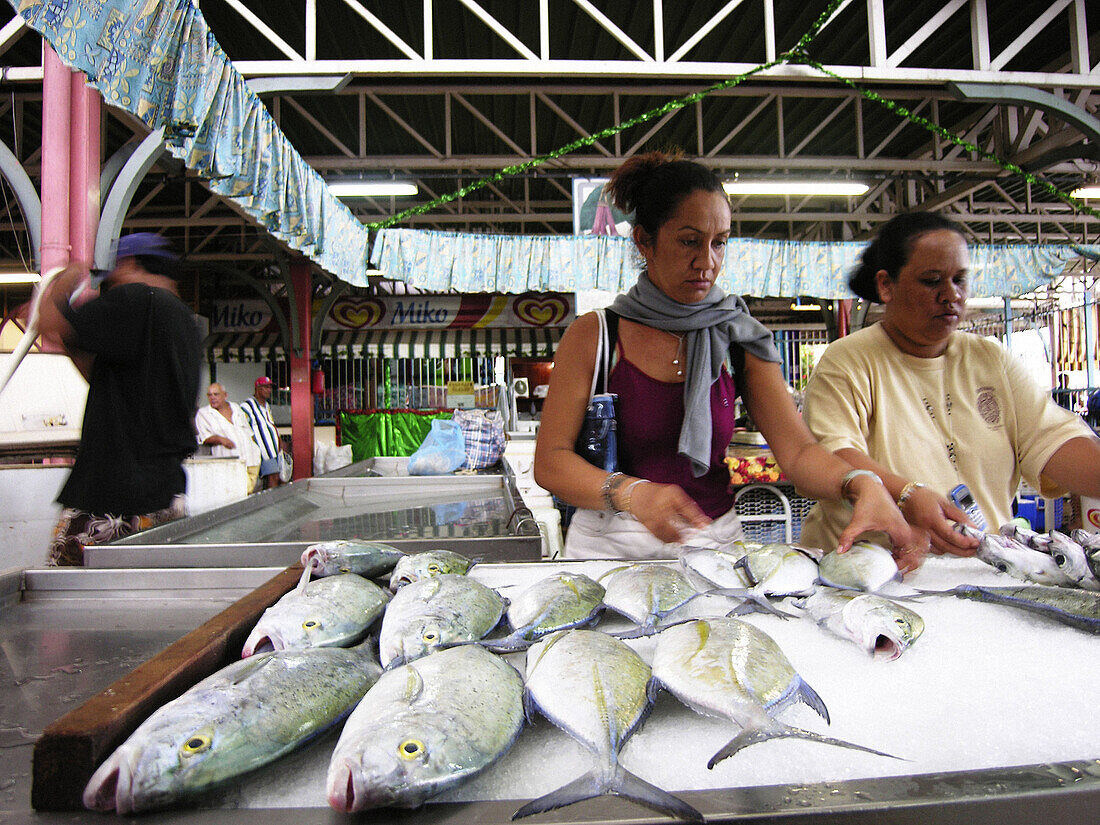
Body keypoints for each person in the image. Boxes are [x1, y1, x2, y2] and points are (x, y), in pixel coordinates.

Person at [533, 150, 917, 560]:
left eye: (720, 243)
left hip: (713, 542)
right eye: (689, 241)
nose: (707, 262)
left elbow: (800, 452)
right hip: (610, 546)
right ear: (644, 240)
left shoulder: (737, 335)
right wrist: (633, 493)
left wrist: (860, 481)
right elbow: (551, 462)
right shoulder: (596, 336)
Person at [801, 211, 1100, 571]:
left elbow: (1051, 440)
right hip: (875, 576)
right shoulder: (848, 361)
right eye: (931, 281)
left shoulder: (990, 359)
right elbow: (834, 455)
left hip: (988, 568)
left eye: (960, 279)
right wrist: (907, 494)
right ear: (886, 285)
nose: (951, 295)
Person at [36, 233, 202, 566]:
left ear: (128, 265)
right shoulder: (187, 322)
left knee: (66, 600)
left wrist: (66, 277)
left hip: (111, 497)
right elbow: (102, 376)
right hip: (166, 498)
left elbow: (49, 323)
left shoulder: (135, 299)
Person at [195, 382, 262, 494]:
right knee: (239, 493)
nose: (212, 398)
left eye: (216, 394)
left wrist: (255, 446)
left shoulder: (235, 407)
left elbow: (248, 430)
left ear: (225, 395)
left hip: (252, 458)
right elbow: (205, 437)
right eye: (209, 395)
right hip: (231, 462)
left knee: (250, 493)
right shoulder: (204, 414)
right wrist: (221, 439)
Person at [241, 375, 283, 489]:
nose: (269, 390)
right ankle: (271, 503)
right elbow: (244, 428)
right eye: (266, 387)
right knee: (272, 476)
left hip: (274, 449)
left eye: (270, 387)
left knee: (279, 477)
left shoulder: (266, 406)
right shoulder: (247, 406)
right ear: (258, 388)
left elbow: (270, 425)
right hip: (264, 450)